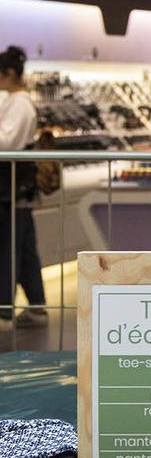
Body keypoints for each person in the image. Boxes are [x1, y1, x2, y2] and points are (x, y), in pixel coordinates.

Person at [0, 45, 47, 329]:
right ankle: (37, 306)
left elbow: (8, 142)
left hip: (12, 186)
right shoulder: (15, 101)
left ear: (8, 73)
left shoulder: (19, 104)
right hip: (16, 186)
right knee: (24, 245)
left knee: (9, 246)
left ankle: (4, 311)